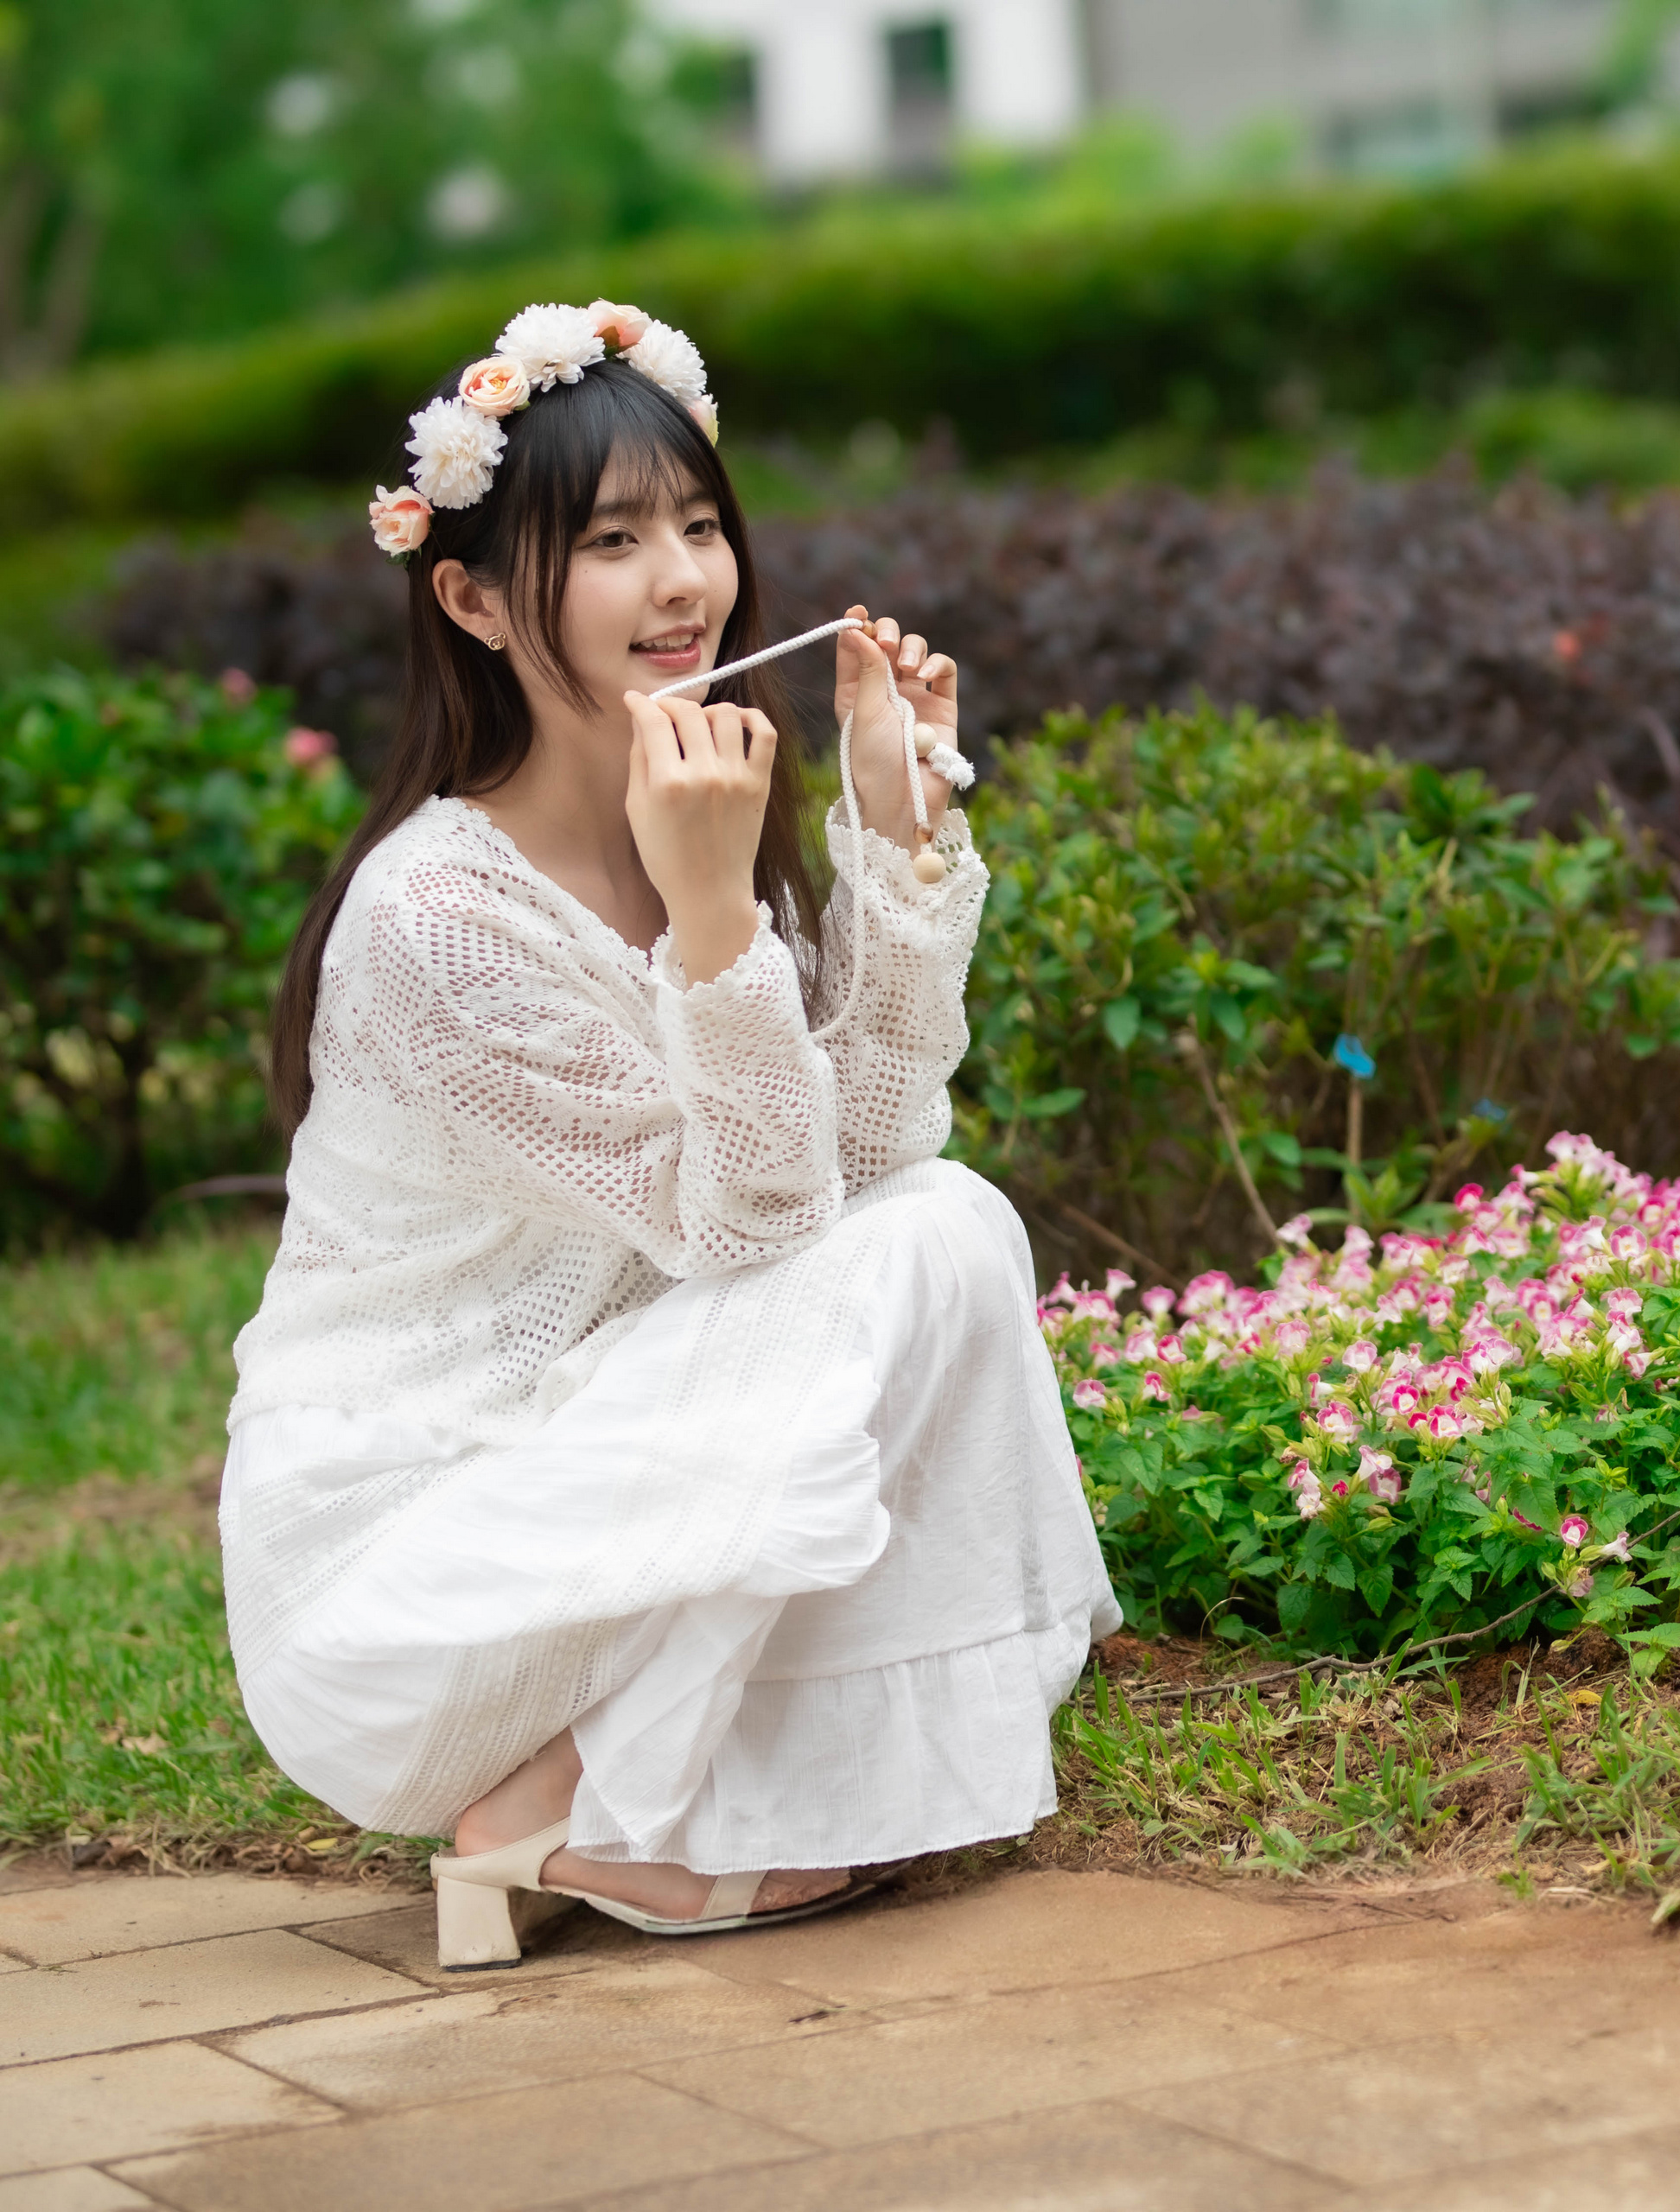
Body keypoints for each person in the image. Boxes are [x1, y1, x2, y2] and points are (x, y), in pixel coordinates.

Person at [223, 301, 1117, 1970]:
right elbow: (762, 1232)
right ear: (474, 598)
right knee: (920, 1236)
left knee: (942, 1216)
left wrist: (889, 825)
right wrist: (714, 920)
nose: (685, 581)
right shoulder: (437, 919)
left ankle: (630, 1792)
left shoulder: (688, 805)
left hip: (595, 1471)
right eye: (615, 541)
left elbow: (872, 1141)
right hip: (411, 1577)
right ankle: (559, 1803)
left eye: (701, 526)